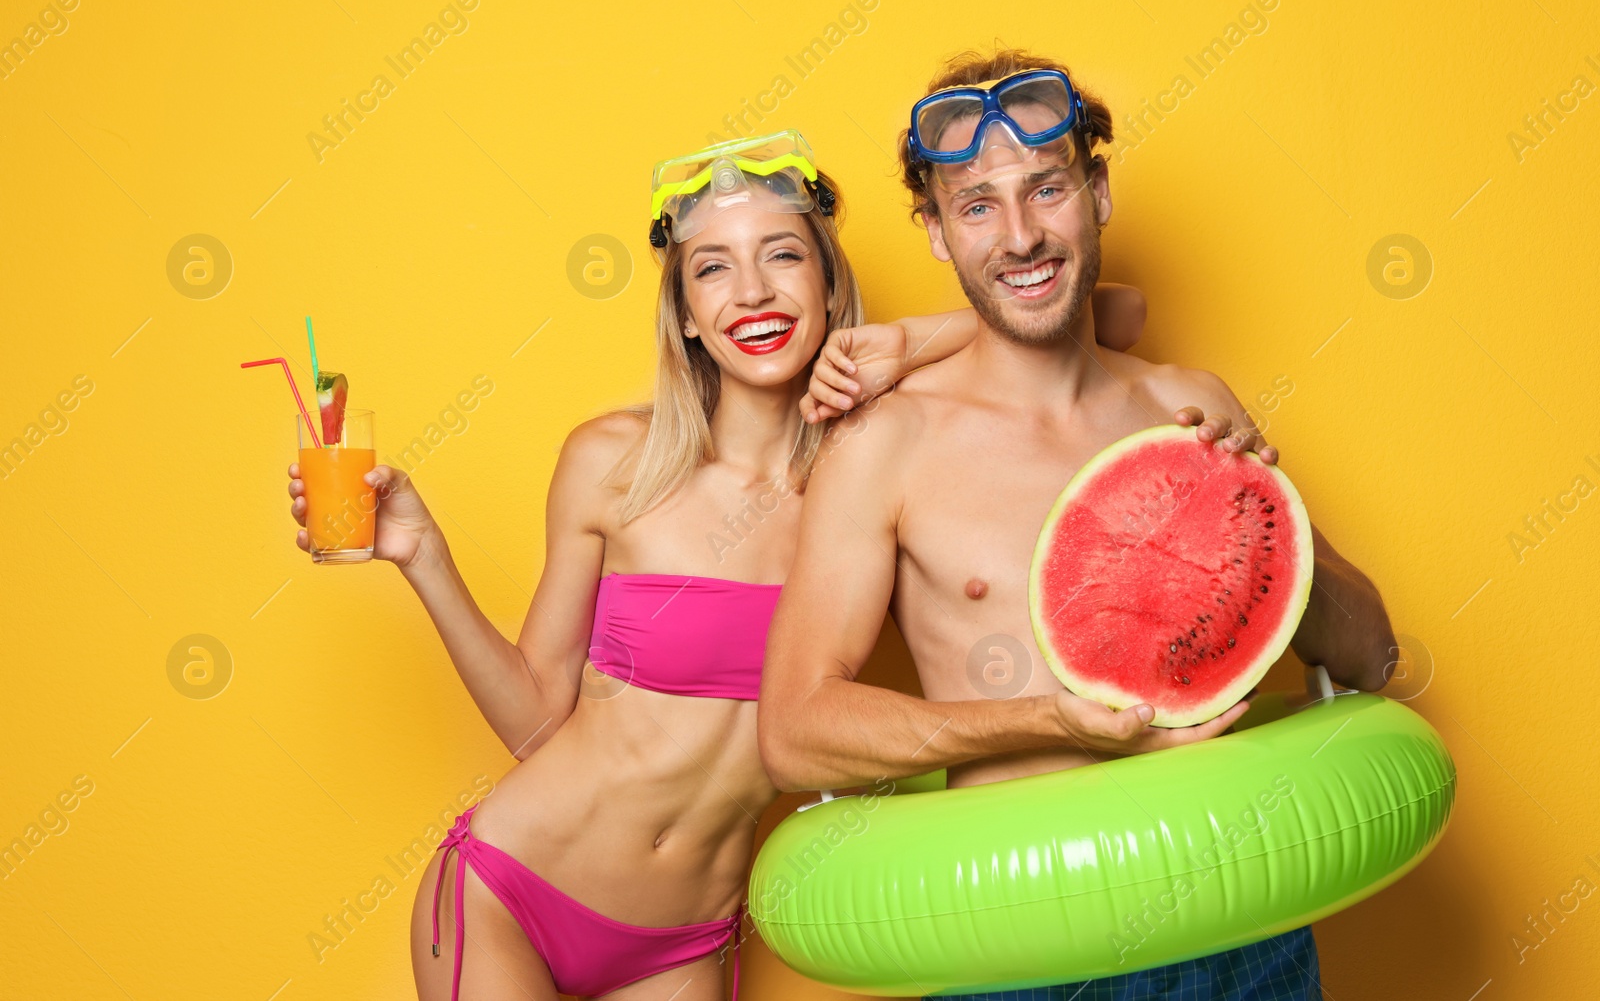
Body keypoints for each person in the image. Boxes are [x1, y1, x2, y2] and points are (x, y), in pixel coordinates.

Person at [285, 129, 1147, 1000]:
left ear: (828, 283)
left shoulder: (877, 473)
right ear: (686, 316)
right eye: (712, 269)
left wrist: (905, 343)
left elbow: (1113, 314)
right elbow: (535, 724)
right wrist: (423, 555)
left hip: (687, 941)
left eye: (782, 256)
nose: (753, 293)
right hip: (514, 891)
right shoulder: (610, 462)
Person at [758, 50, 1399, 1001]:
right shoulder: (883, 445)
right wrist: (1044, 722)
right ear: (937, 234)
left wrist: (1265, 515)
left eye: (1046, 188)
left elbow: (1374, 655)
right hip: (1015, 948)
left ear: (1097, 192)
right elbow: (797, 727)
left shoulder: (1188, 402)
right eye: (976, 206)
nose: (1020, 236)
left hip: (1234, 924)